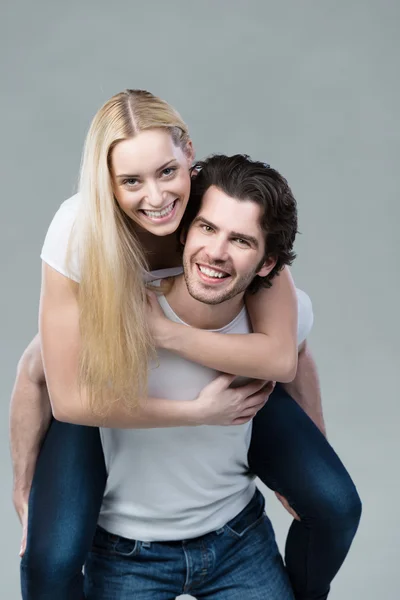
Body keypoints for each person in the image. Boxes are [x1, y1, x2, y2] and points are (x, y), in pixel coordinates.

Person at [9, 90, 361, 600]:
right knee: (50, 558)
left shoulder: (222, 207)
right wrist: (24, 490)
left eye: (167, 172)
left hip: (218, 382)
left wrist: (309, 463)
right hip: (99, 401)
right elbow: (42, 375)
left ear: (189, 155)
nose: (156, 198)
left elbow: (287, 352)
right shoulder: (81, 232)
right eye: (131, 181)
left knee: (333, 502)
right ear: (106, 182)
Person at [84, 153, 314, 599]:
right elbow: (36, 375)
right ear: (185, 230)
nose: (216, 252)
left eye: (241, 241)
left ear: (267, 265)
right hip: (126, 551)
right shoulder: (123, 306)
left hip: (237, 539)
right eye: (207, 228)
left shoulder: (275, 327)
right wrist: (22, 485)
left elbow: (300, 363)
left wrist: (305, 471)